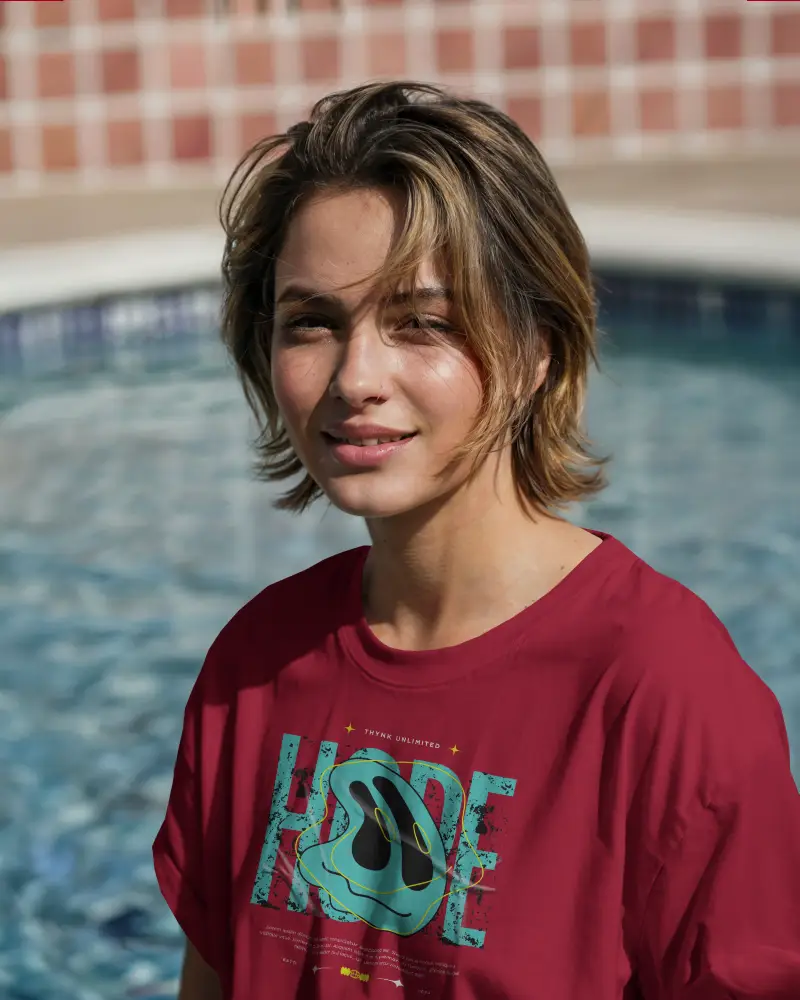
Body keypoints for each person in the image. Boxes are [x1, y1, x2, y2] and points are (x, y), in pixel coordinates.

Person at [153, 81, 800, 1000]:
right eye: (313, 323)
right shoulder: (256, 664)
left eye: (423, 323)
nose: (357, 377)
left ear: (537, 349)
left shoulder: (663, 688)